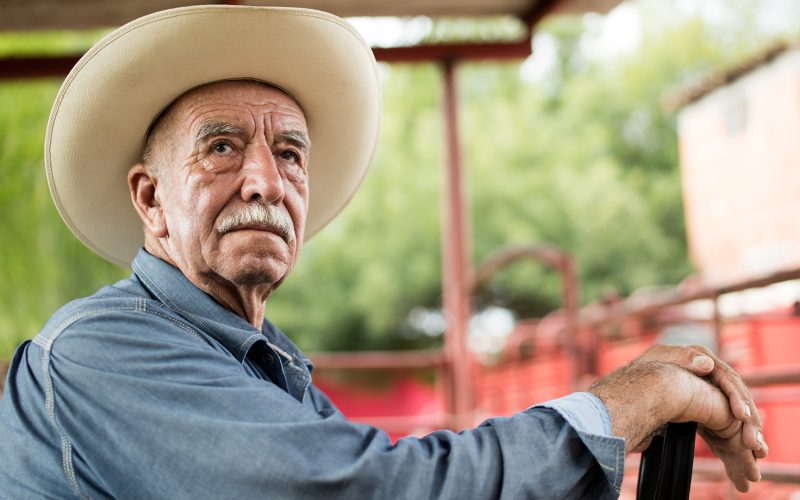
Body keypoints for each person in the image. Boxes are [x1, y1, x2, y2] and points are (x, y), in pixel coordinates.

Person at [0, 6, 766, 499]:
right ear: (150, 200)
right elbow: (368, 492)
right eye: (222, 147)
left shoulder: (266, 359)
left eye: (292, 153)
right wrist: (636, 400)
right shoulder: (102, 349)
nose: (266, 179)